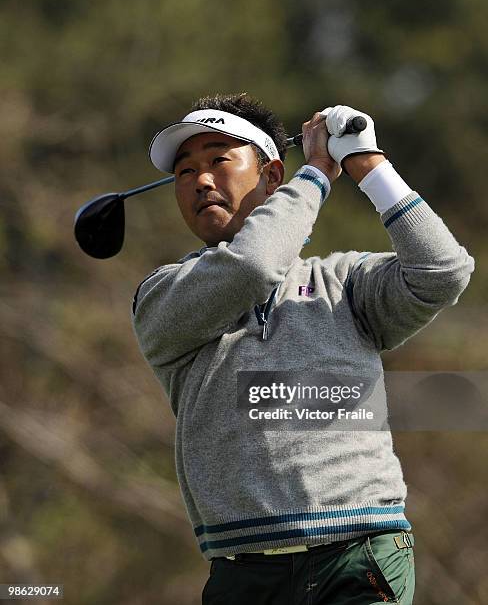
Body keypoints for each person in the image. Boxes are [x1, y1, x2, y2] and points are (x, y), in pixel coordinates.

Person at [131, 93, 474, 604]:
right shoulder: (165, 295)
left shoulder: (344, 282)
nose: (201, 181)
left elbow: (442, 271)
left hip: (359, 555)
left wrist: (368, 165)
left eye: (219, 160)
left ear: (271, 176)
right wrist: (315, 174)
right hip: (242, 572)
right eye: (185, 172)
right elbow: (251, 266)